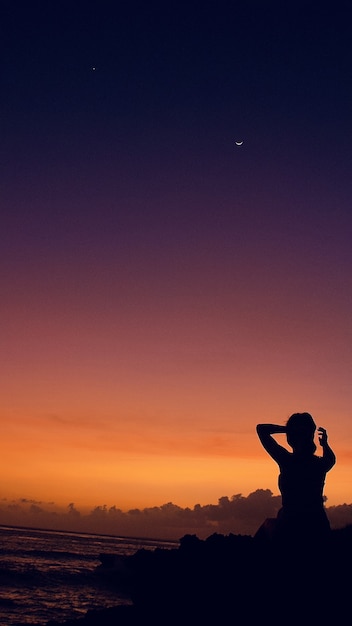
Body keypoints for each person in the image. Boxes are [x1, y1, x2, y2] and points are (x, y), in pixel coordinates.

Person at [255, 412, 336, 546]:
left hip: (290, 527)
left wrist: (288, 429)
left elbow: (261, 429)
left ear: (291, 438)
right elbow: (331, 459)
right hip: (318, 526)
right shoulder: (320, 464)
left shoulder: (287, 460)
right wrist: (325, 444)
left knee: (267, 526)